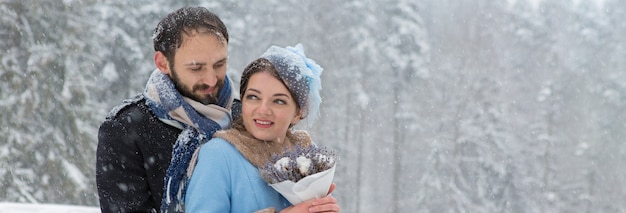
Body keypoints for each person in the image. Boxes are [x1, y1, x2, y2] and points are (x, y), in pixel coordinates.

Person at [96, 7, 241, 213]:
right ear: (163, 63)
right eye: (196, 68)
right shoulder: (125, 129)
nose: (211, 79)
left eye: (219, 64)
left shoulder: (245, 118)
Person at [185, 44, 340, 212]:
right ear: (242, 100)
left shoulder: (307, 154)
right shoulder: (219, 155)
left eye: (279, 101)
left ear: (298, 113)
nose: (263, 110)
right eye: (253, 97)